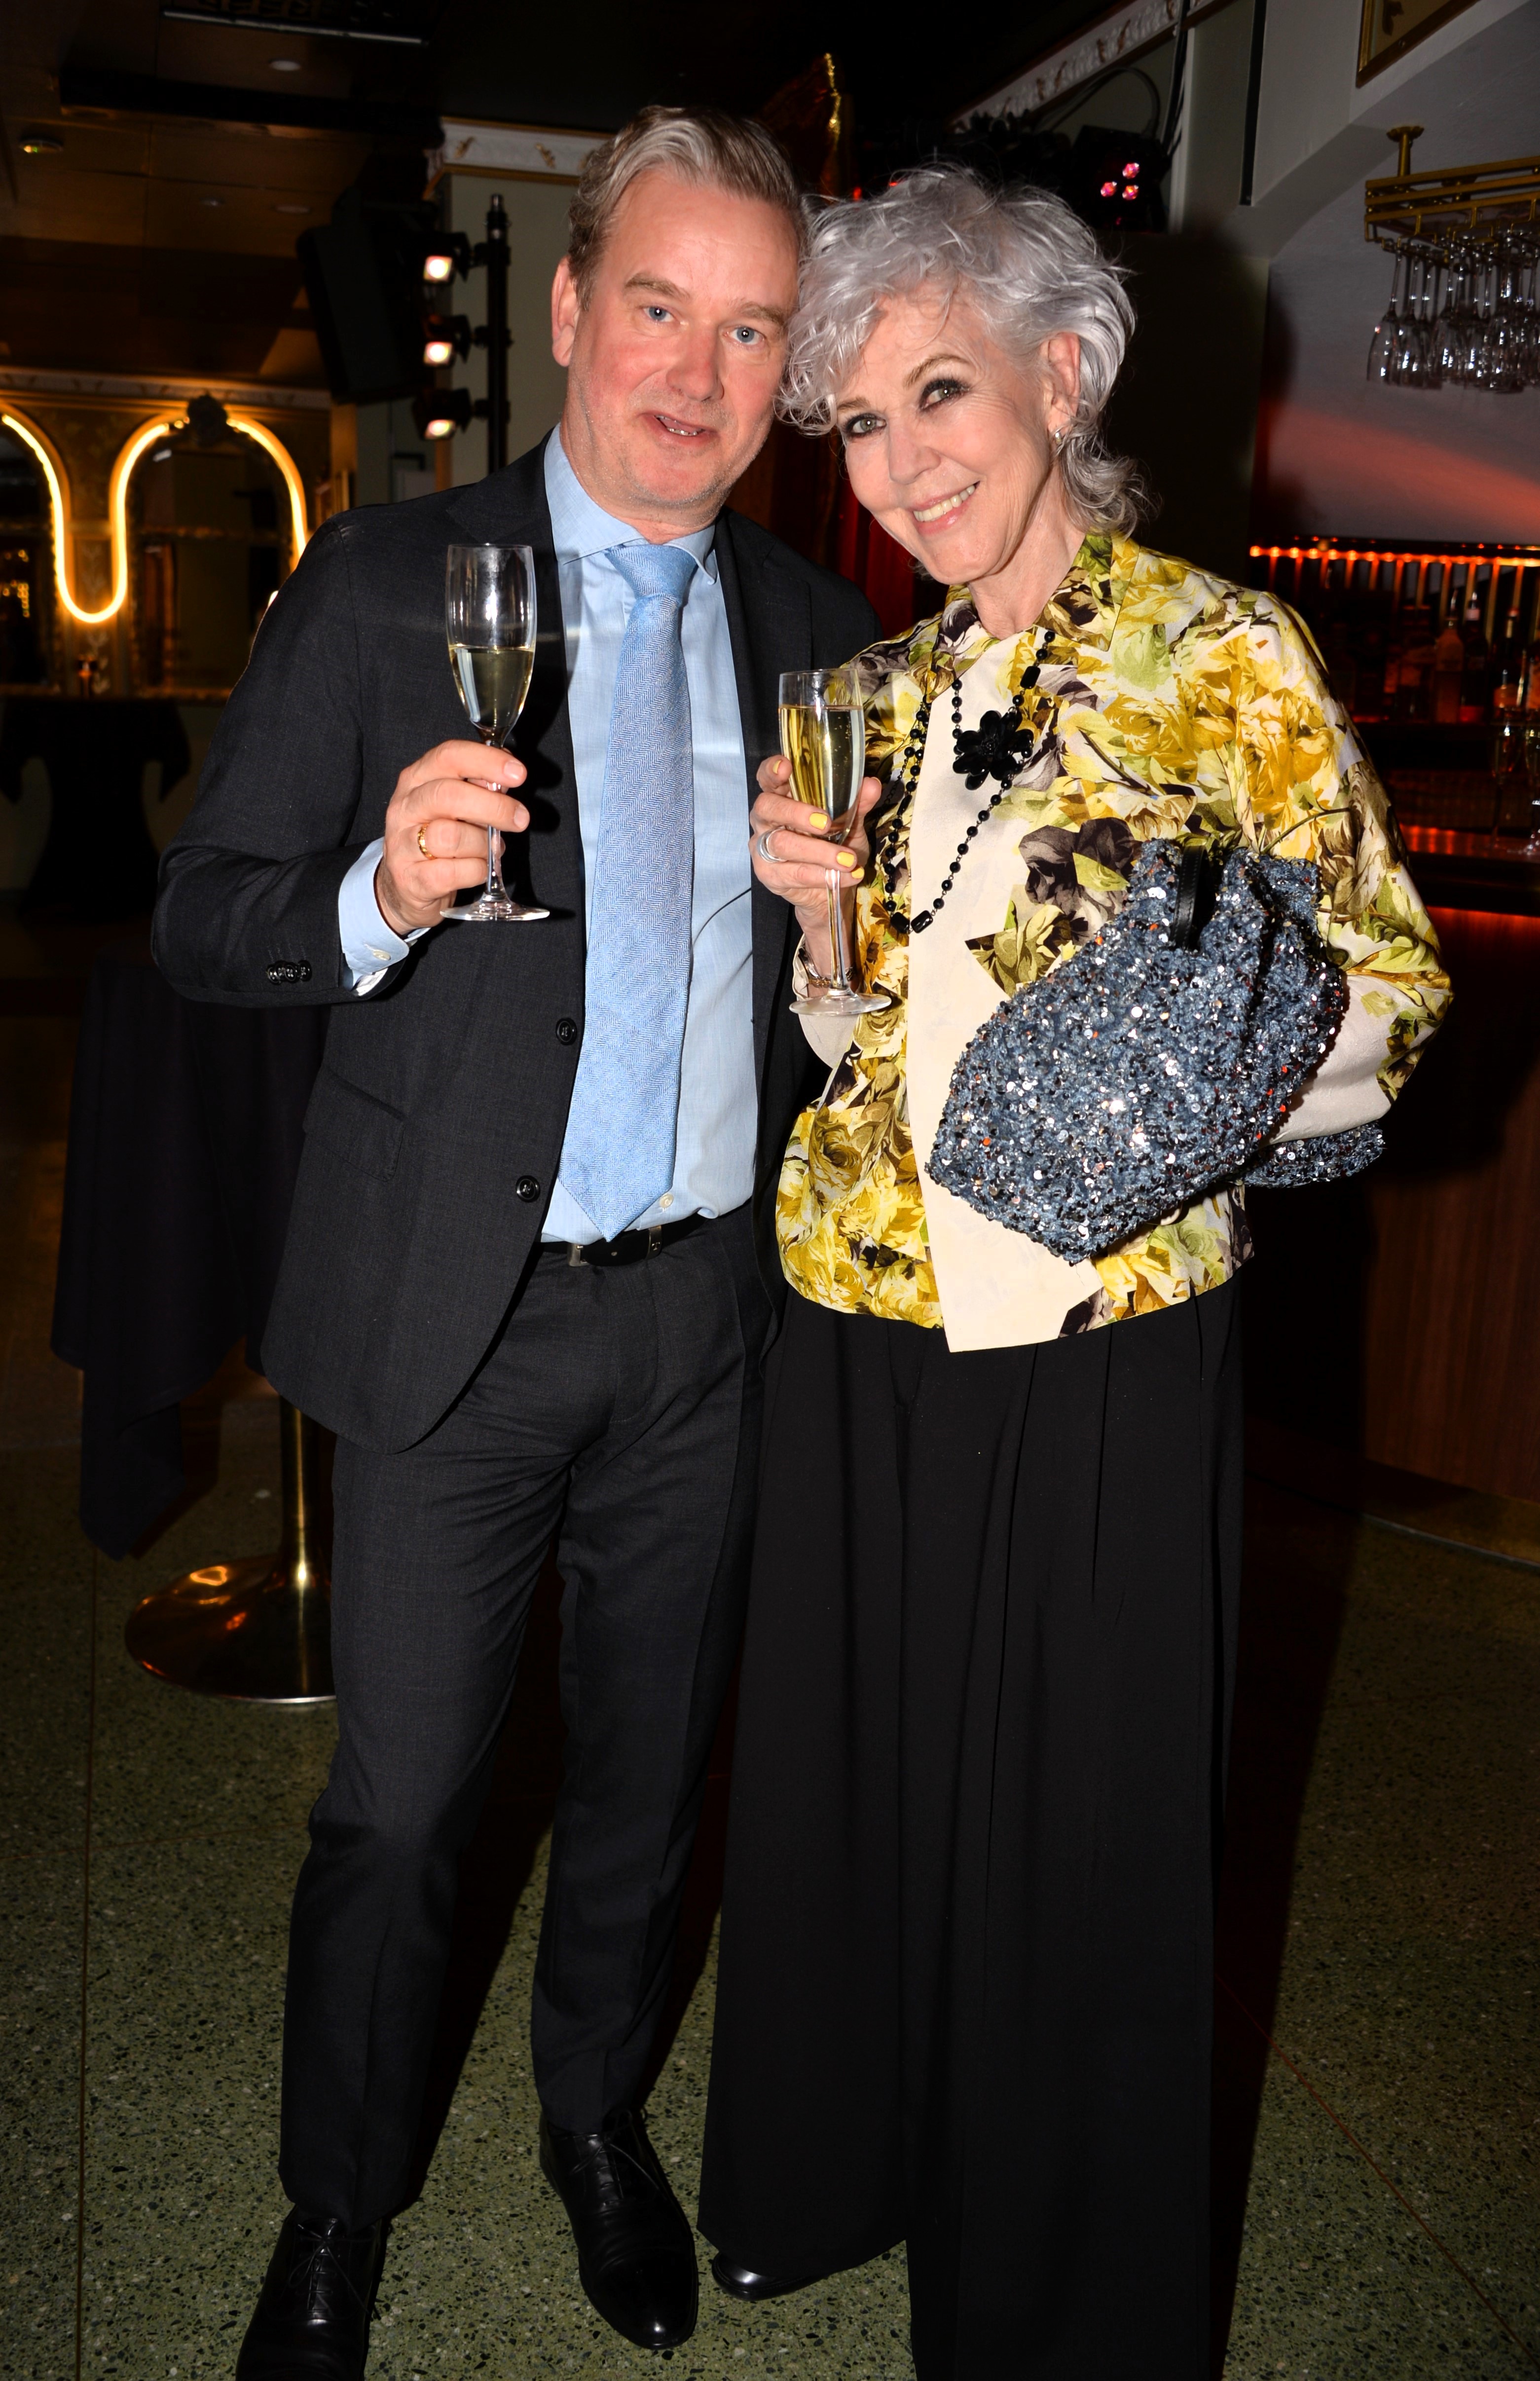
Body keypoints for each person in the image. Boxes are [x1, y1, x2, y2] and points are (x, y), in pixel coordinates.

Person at [697, 165, 1451, 2378]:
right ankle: (843, 2161)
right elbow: (856, 1039)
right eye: (858, 420)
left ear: (1059, 372)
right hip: (852, 1312)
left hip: (1092, 1334)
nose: (897, 462)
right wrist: (821, 932)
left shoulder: (1219, 656)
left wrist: (1150, 1112)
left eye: (935, 393)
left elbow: (1388, 992)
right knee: (859, 1786)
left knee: (1064, 1834)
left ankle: (1048, 2307)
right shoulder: (878, 681)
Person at [153, 107, 879, 2378]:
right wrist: (379, 891)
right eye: (657, 306)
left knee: (651, 1785)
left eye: (749, 330)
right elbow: (203, 919)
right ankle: (337, 2202)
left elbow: (854, 1021)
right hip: (452, 1327)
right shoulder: (390, 583)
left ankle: (591, 2120)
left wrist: (841, 942)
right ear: (568, 309)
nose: (696, 371)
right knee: (400, 1814)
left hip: (705, 1326)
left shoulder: (821, 635)